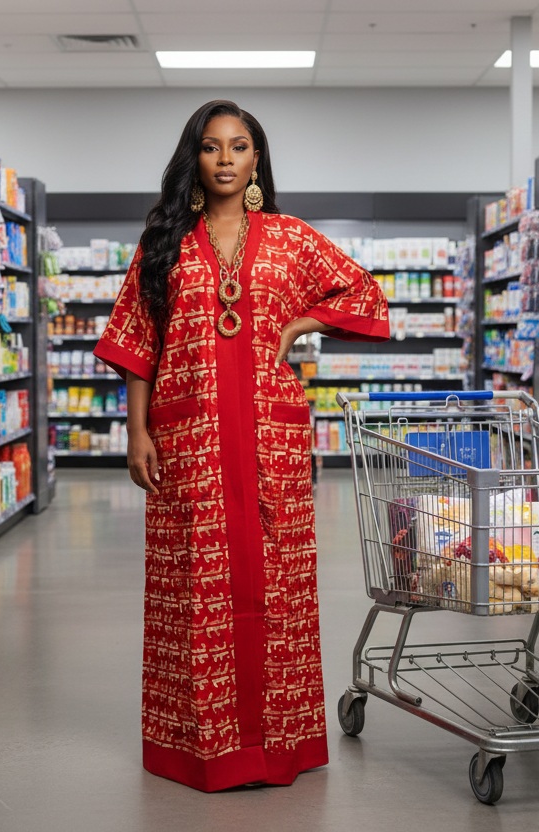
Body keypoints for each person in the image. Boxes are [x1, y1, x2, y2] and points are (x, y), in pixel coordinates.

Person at [92, 99, 389, 792]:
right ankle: (201, 747)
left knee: (276, 585)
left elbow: (365, 293)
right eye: (211, 147)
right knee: (195, 589)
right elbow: (139, 343)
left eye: (240, 146)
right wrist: (137, 430)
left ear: (257, 160)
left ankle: (277, 743)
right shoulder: (165, 242)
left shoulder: (289, 238)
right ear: (193, 159)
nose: (225, 158)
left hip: (270, 437)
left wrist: (303, 323)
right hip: (188, 438)